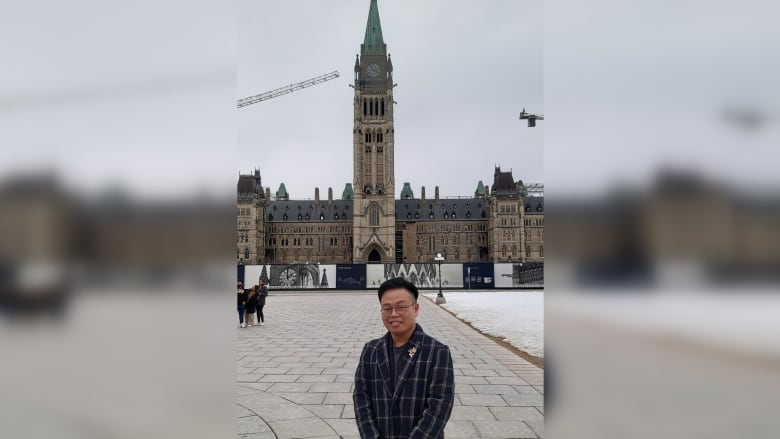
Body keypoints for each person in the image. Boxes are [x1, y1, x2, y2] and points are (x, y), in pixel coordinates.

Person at [353, 277, 454, 438]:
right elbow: (361, 398)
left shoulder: (437, 352)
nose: (393, 314)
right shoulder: (370, 350)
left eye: (401, 307)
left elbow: (440, 406)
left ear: (416, 309)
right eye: (387, 308)